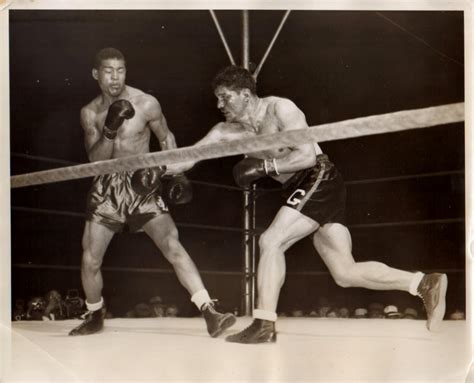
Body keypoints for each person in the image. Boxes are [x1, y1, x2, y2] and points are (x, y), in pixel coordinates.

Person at [167, 65, 448, 344]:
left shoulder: (280, 110)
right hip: (301, 187)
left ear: (245, 94)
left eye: (225, 97)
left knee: (271, 241)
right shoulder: (225, 132)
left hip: (318, 177)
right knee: (344, 272)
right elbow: (192, 155)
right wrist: (157, 170)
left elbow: (306, 157)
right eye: (217, 98)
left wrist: (265, 166)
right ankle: (424, 283)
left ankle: (264, 323)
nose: (219, 104)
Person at [69, 47, 236, 337]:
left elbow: (166, 137)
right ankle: (95, 313)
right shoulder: (90, 113)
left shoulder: (146, 103)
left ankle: (209, 310)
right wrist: (110, 128)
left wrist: (177, 173)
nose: (115, 77)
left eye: (120, 70)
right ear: (96, 74)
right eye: (108, 71)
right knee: (90, 258)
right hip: (107, 186)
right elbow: (95, 162)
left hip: (143, 182)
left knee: (172, 245)